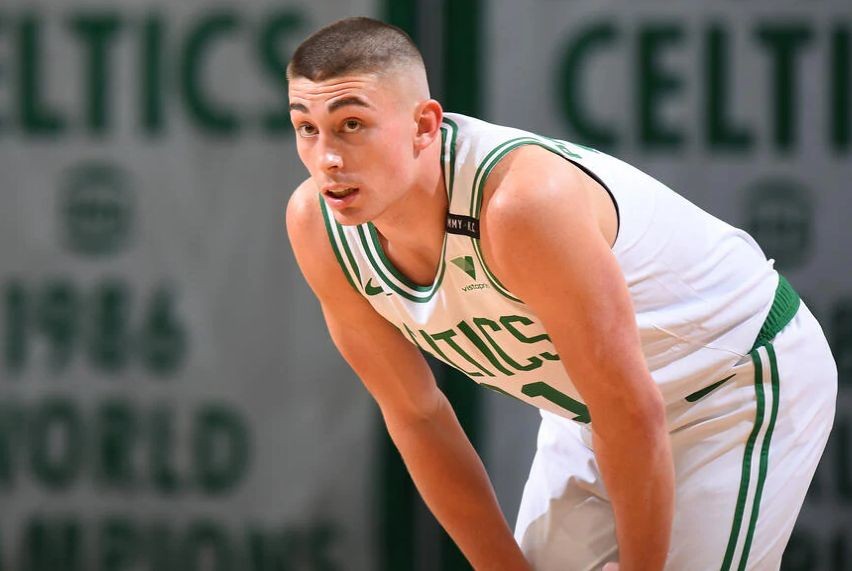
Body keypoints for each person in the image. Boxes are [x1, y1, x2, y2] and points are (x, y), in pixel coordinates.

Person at [284, 16, 837, 571]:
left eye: (352, 124)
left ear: (424, 126)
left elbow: (631, 410)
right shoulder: (319, 226)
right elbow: (417, 413)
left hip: (733, 383)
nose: (327, 158)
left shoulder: (520, 205)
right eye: (307, 128)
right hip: (598, 413)